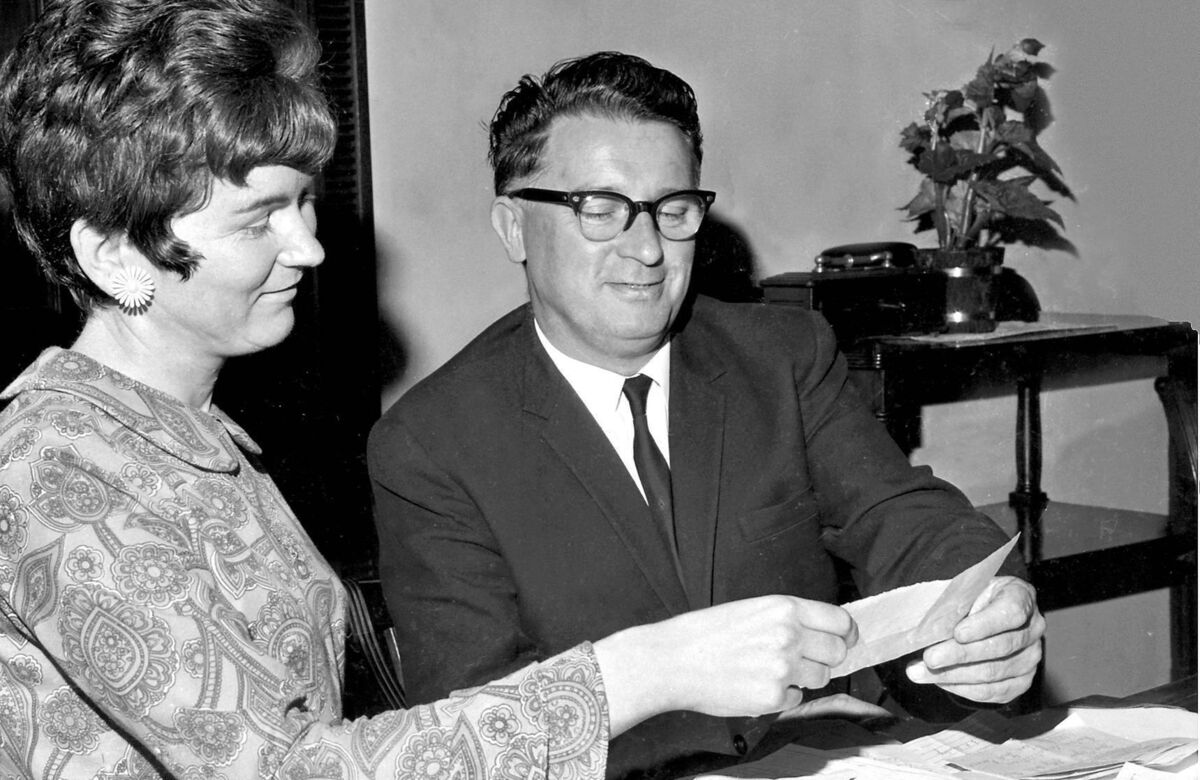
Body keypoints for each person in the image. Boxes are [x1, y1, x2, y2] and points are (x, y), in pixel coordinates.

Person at [0, 9, 851, 779]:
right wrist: (646, 670)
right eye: (260, 219)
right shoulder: (52, 470)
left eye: (305, 204)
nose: (309, 249)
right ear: (112, 254)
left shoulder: (187, 435)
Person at [368, 51, 1047, 779]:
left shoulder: (779, 356)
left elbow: (905, 516)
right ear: (512, 227)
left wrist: (986, 616)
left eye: (673, 210)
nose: (648, 249)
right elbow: (472, 734)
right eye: (599, 209)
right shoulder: (432, 444)